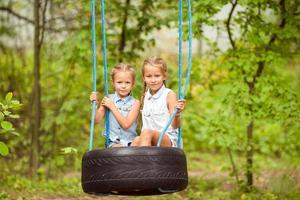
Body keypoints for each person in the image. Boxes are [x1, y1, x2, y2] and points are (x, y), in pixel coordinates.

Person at [131, 56, 186, 147]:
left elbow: (175, 126)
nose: (153, 80)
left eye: (157, 76)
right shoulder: (144, 97)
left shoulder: (169, 95)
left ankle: (146, 161)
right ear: (143, 78)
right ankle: (132, 161)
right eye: (149, 76)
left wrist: (177, 114)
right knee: (136, 140)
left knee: (147, 133)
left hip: (168, 140)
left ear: (164, 76)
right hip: (148, 139)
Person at [90, 63, 140, 147]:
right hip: (113, 143)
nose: (123, 86)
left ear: (132, 84)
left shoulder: (135, 103)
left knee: (139, 140)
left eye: (127, 82)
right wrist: (94, 104)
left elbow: (126, 124)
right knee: (119, 149)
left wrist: (112, 107)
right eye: (119, 82)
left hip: (130, 142)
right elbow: (95, 120)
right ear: (113, 83)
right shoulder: (108, 99)